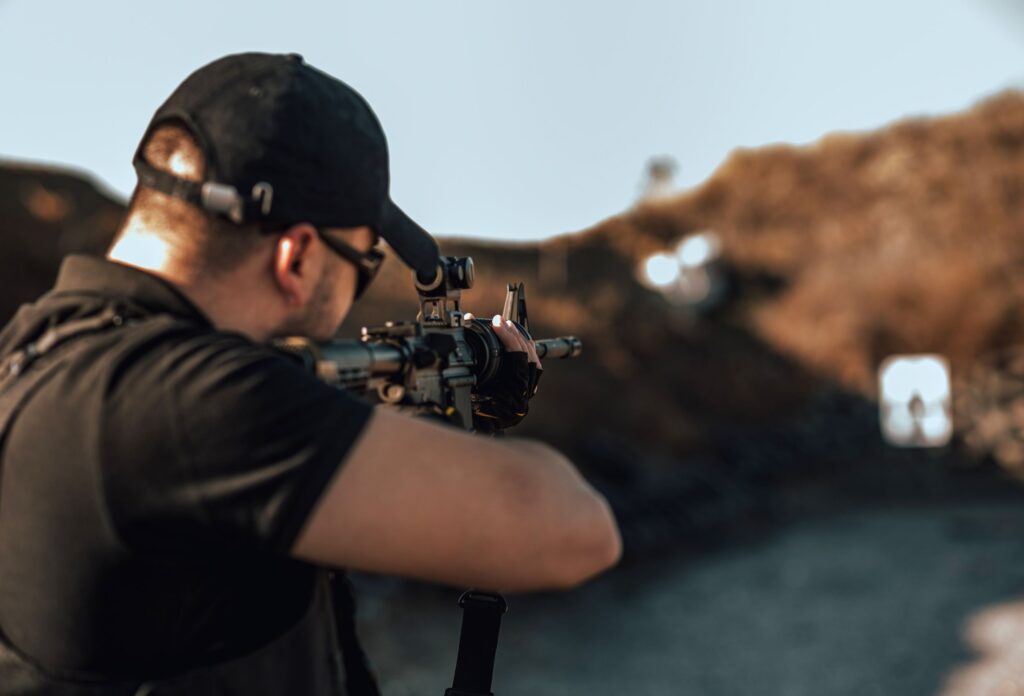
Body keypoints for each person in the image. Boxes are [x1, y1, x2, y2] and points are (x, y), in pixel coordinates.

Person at [0, 53, 621, 694]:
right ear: (295, 257)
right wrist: (487, 409)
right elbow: (576, 530)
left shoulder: (37, 352)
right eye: (362, 263)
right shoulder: (183, 402)